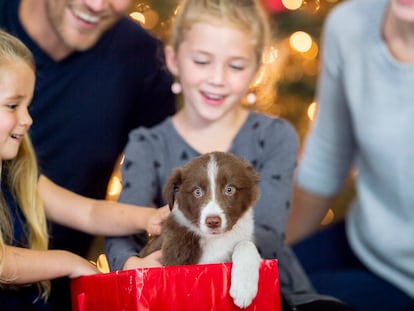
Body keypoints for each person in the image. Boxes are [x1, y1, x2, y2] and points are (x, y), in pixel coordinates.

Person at [104, 1, 354, 310]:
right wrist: (128, 263)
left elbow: (268, 235)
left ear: (256, 69)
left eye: (235, 66)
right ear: (174, 59)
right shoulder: (148, 143)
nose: (217, 78)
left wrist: (241, 254)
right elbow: (119, 226)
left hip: (273, 289)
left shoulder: (274, 136)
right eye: (201, 61)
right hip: (181, 291)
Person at [0, 0, 176, 309]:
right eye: (13, 106)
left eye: (28, 105)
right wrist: (72, 264)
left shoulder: (19, 173)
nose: (28, 119)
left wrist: (151, 218)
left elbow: (89, 213)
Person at [286, 0, 414, 310]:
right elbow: (325, 163)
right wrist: (276, 256)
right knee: (241, 289)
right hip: (363, 240)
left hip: (406, 281)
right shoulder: (350, 24)